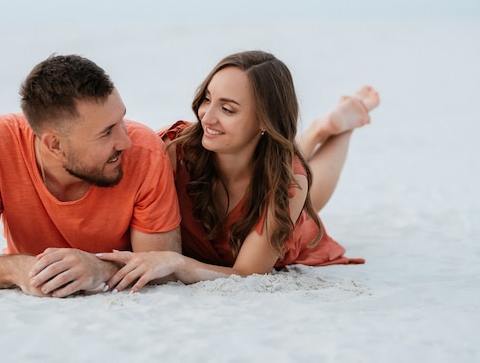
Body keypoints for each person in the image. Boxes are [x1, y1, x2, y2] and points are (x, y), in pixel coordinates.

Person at [97, 50, 380, 292]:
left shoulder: (289, 185)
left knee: (309, 194)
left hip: (284, 202)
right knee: (285, 164)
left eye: (228, 109)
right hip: (260, 157)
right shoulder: (175, 148)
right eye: (207, 99)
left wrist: (176, 263)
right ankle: (317, 131)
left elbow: (247, 273)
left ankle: (339, 127)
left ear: (264, 121)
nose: (206, 116)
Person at [0, 54, 181, 298]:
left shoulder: (145, 151)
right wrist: (19, 268)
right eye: (106, 132)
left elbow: (162, 268)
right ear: (54, 145)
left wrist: (100, 268)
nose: (125, 142)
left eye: (121, 121)